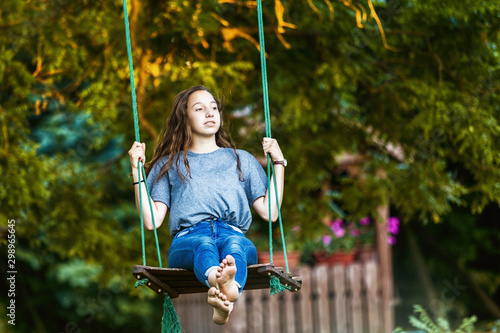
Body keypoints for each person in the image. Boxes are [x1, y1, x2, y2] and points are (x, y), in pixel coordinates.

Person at [128, 85, 286, 325]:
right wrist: (136, 170)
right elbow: (152, 220)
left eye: (214, 107)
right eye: (199, 109)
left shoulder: (241, 159)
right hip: (188, 239)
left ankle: (224, 290)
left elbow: (271, 212)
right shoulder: (168, 164)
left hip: (233, 233)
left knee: (236, 246)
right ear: (185, 118)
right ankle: (225, 286)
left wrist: (278, 163)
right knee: (204, 245)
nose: (210, 113)